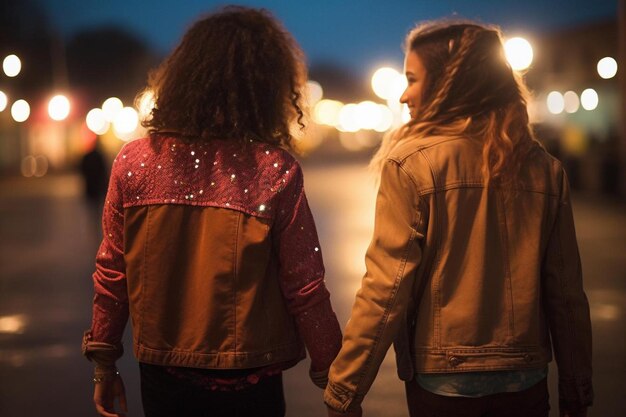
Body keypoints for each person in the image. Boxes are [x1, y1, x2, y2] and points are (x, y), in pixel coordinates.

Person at [81, 6, 342, 417]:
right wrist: (334, 377)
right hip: (250, 377)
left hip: (163, 373)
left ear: (183, 76)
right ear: (268, 86)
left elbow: (113, 270)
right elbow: (305, 285)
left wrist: (103, 361)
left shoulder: (134, 162)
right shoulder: (273, 169)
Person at [324, 21, 593, 417]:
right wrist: (576, 387)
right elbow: (566, 293)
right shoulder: (545, 170)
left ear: (448, 82)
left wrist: (345, 389)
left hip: (444, 385)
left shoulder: (413, 163)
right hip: (526, 381)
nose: (403, 94)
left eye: (412, 79)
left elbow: (387, 287)